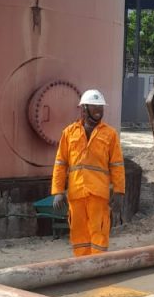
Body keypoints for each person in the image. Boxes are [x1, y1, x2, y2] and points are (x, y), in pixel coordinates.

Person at [51, 88, 125, 257]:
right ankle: (82, 265)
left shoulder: (110, 134)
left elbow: (117, 165)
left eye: (101, 107)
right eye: (94, 106)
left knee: (99, 233)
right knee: (79, 235)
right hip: (76, 193)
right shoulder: (69, 133)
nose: (99, 110)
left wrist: (119, 191)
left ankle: (98, 265)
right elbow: (60, 163)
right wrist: (58, 192)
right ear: (84, 109)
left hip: (98, 194)